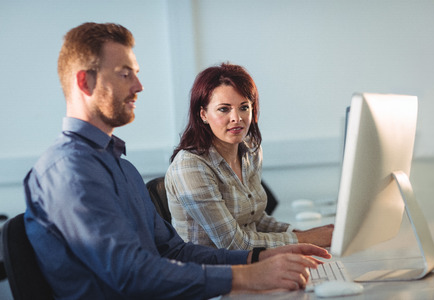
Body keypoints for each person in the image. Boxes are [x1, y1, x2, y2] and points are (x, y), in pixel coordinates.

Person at [23, 22, 332, 299]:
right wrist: (247, 275)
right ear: (84, 82)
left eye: (137, 74)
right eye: (124, 73)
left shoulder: (121, 166)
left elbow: (173, 250)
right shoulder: (69, 171)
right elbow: (131, 275)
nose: (139, 86)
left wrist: (257, 258)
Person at [165, 63, 334, 250]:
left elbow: (255, 218)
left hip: (251, 263)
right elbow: (233, 244)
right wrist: (307, 239)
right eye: (224, 109)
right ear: (203, 114)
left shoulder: (250, 149)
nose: (236, 118)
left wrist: (300, 233)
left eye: (244, 107)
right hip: (210, 272)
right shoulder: (191, 166)